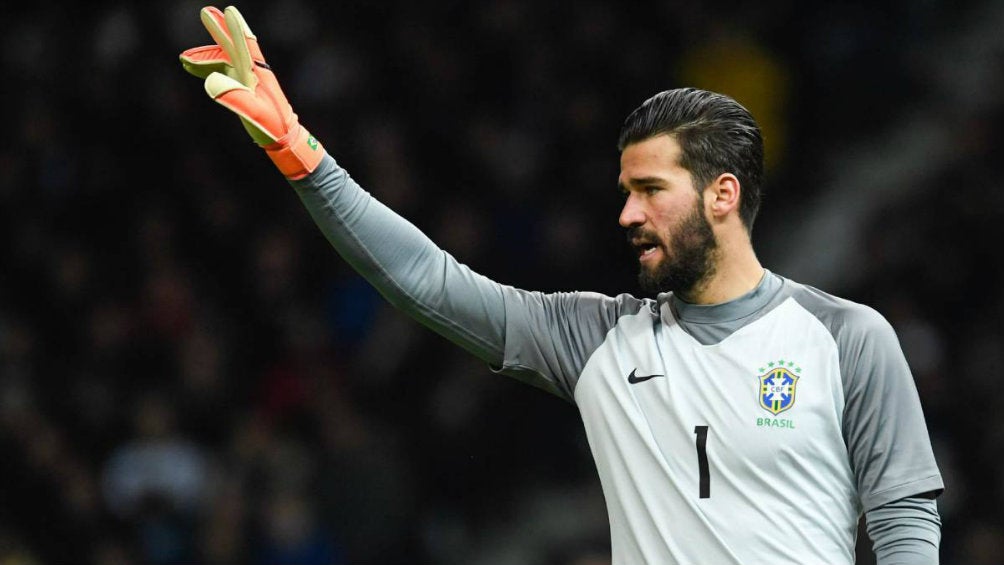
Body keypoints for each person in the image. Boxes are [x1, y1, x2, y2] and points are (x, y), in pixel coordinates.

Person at [179, 6, 944, 564]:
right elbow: (430, 282)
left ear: (723, 194)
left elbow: (905, 523)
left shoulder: (847, 339)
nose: (626, 214)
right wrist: (306, 158)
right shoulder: (599, 340)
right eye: (624, 189)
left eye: (650, 190)